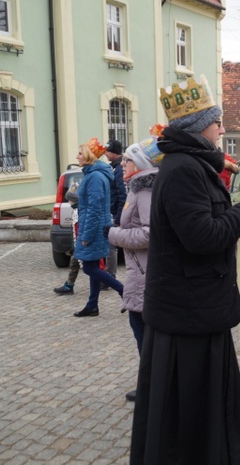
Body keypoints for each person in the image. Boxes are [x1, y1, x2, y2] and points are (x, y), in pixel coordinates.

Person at [130, 76, 240, 464]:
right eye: (218, 122)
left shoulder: (189, 165)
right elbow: (201, 237)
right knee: (187, 411)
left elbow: (202, 224)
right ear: (199, 128)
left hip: (194, 308)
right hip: (188, 310)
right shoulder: (183, 170)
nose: (223, 128)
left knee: (198, 407)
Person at [106, 135, 163, 402]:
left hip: (145, 273)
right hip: (139, 271)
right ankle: (152, 384)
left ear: (140, 162)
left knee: (145, 333)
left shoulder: (145, 190)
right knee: (142, 330)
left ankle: (154, 388)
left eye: (128, 159)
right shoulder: (136, 187)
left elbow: (152, 233)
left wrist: (114, 235)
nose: (123, 163)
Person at [72, 138, 125, 317]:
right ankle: (92, 305)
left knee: (89, 268)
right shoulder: (93, 174)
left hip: (93, 228)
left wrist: (86, 235)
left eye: (80, 153)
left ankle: (123, 290)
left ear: (88, 156)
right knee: (92, 265)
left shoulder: (94, 176)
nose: (77, 156)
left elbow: (94, 208)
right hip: (95, 226)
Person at [103, 139, 127, 286]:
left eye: (107, 151)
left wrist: (118, 218)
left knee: (111, 246)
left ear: (114, 152)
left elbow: (122, 195)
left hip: (115, 214)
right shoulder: (114, 167)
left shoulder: (118, 169)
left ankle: (110, 278)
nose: (105, 153)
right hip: (113, 212)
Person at [53, 182, 81, 295]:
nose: (68, 202)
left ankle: (107, 282)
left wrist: (78, 244)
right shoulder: (75, 210)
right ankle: (69, 285)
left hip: (82, 244)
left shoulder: (80, 211)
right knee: (75, 263)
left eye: (70, 200)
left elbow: (79, 229)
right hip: (78, 245)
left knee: (92, 269)